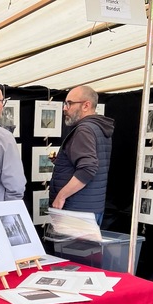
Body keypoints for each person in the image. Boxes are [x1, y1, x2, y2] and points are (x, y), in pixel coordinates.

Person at [49, 85, 115, 226]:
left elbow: (88, 169)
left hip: (77, 211)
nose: (64, 108)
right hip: (90, 208)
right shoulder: (98, 127)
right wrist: (61, 161)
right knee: (87, 249)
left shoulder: (84, 130)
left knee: (70, 249)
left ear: (86, 105)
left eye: (69, 103)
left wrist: (61, 196)